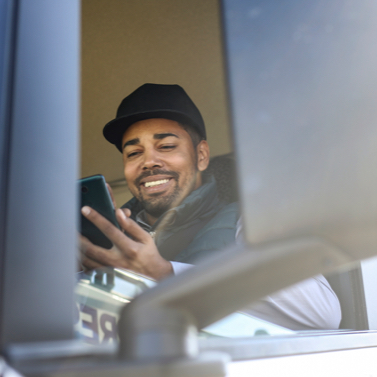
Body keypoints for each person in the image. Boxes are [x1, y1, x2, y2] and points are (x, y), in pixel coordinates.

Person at [80, 83, 341, 330]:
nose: (149, 161)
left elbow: (322, 315)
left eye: (167, 146)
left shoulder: (248, 222)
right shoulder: (114, 240)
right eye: (134, 153)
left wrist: (167, 275)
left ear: (202, 156)